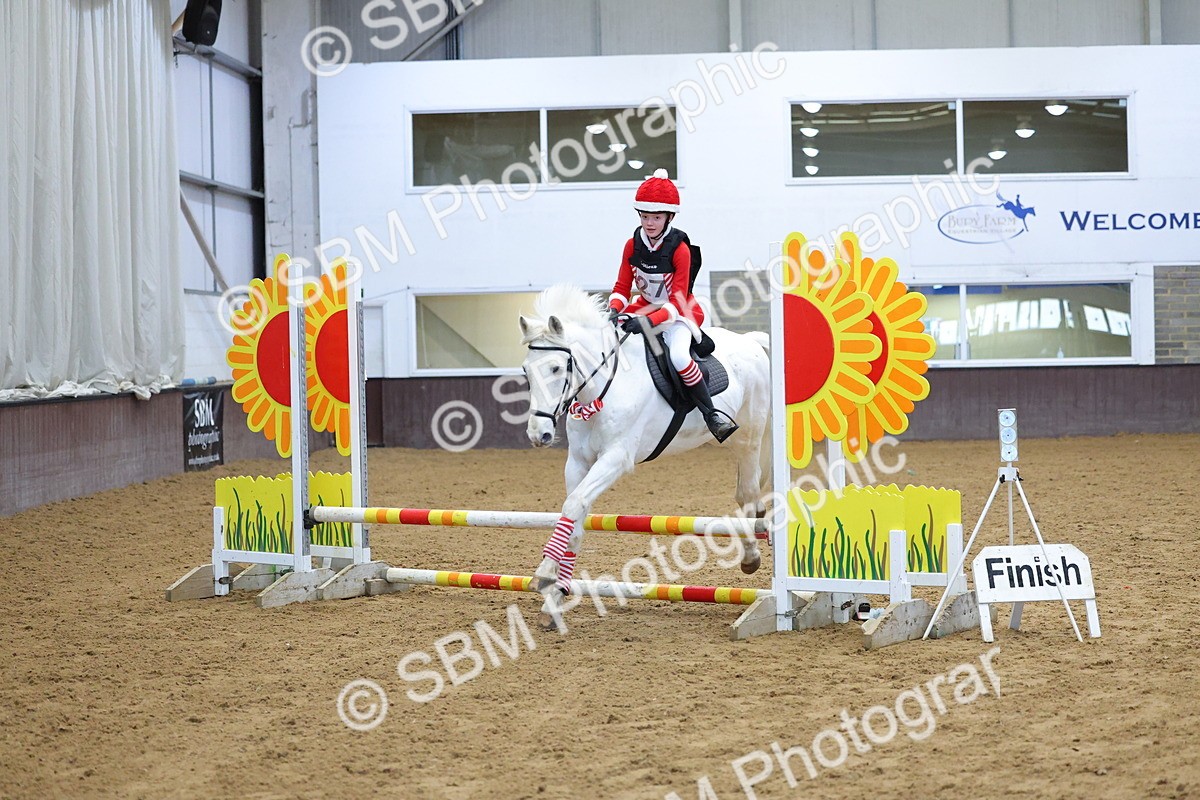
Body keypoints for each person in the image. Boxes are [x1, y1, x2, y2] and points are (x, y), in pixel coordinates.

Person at [607, 169, 738, 443]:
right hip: (643, 305)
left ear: (669, 217)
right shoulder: (632, 246)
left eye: (656, 217)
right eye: (645, 216)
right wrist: (615, 311)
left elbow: (677, 300)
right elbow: (621, 288)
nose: (650, 223)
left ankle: (711, 414)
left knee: (679, 356)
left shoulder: (680, 250)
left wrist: (646, 322)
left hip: (678, 311)